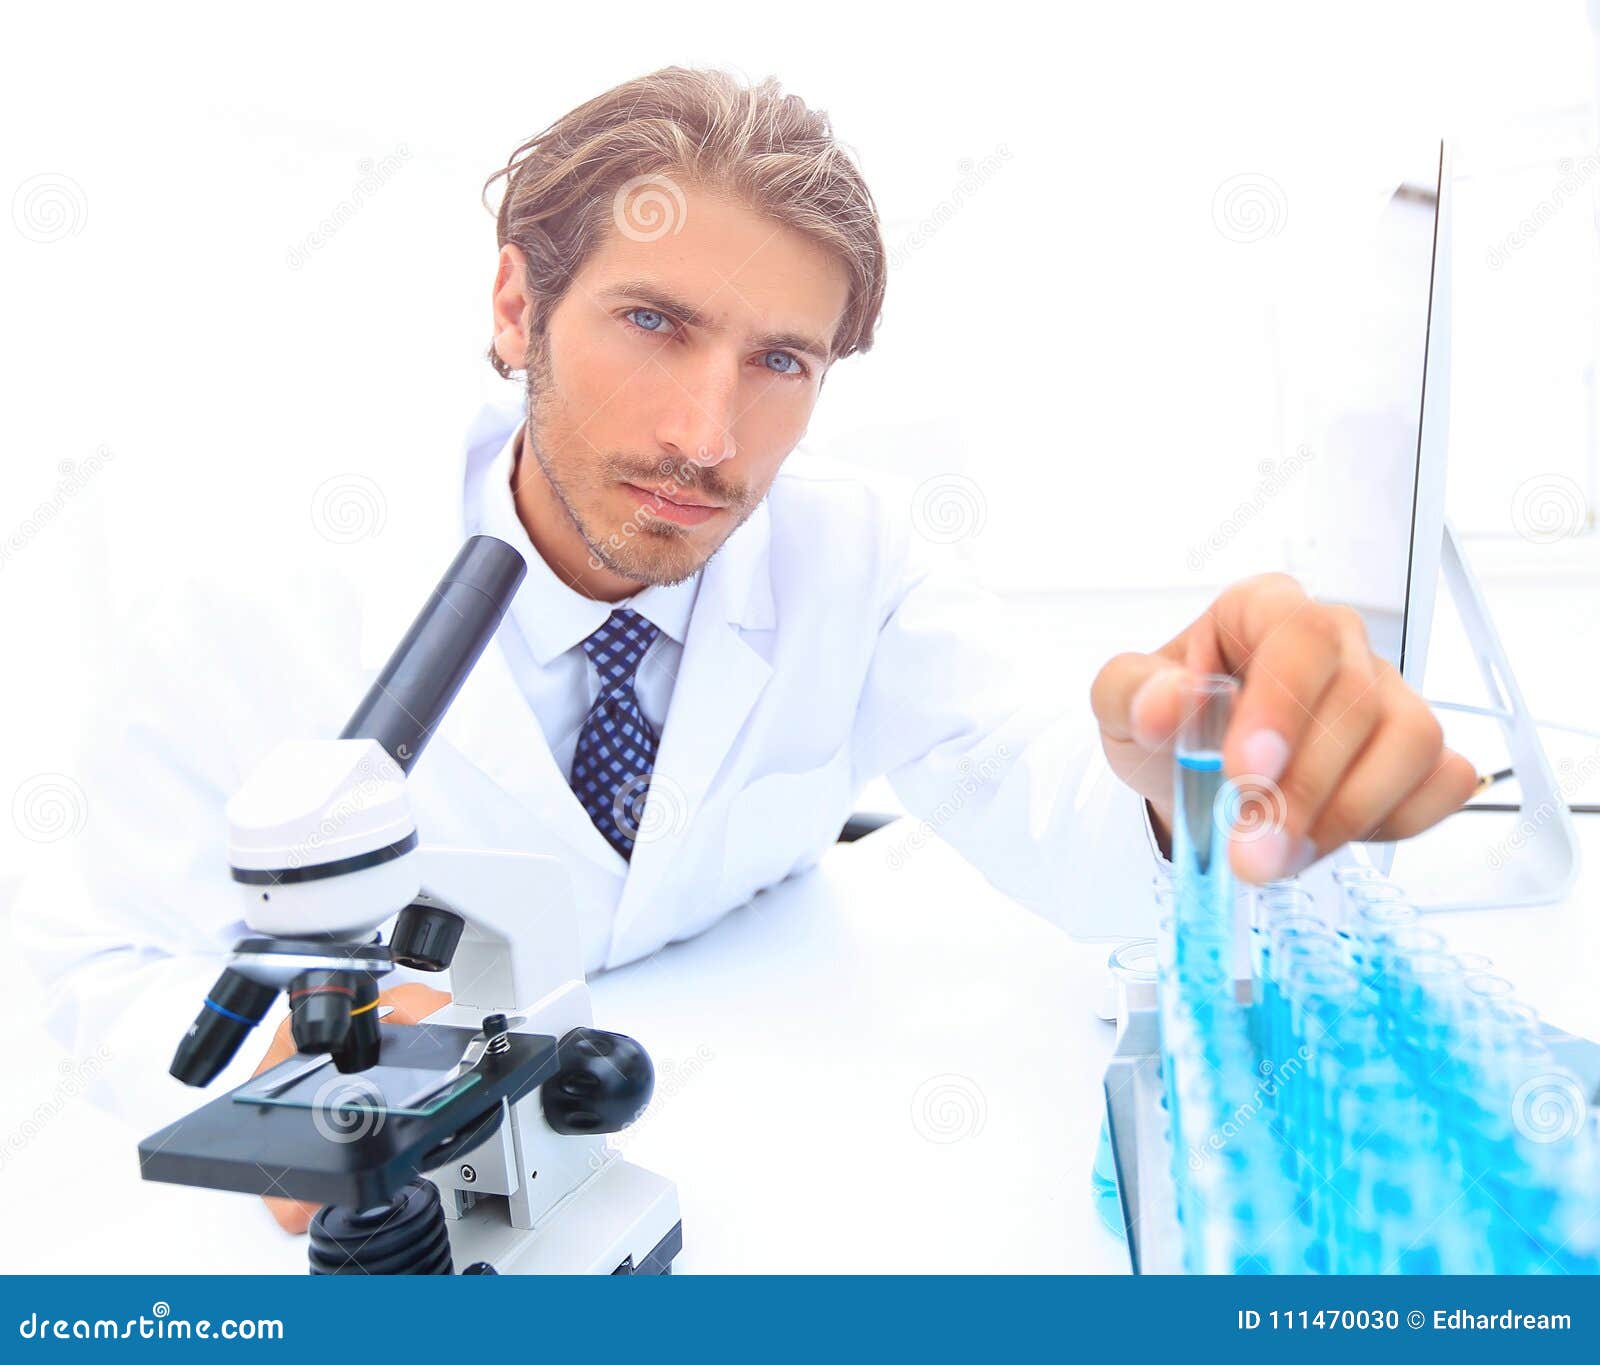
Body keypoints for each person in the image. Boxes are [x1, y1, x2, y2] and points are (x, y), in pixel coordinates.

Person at [15, 66, 1476, 1236]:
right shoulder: (251, 596)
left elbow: (1064, 825)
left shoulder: (849, 551)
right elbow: (88, 959)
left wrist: (1174, 777)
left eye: (783, 361)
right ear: (519, 303)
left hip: (752, 1126)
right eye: (653, 322)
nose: (710, 440)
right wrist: (286, 1082)